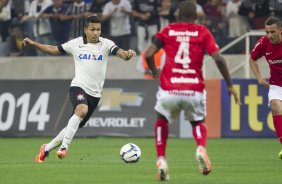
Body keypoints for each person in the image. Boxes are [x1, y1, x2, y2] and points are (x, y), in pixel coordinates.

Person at [144, 1, 241, 181]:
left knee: (162, 118)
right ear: (196, 16)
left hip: (169, 88)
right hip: (193, 88)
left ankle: (162, 159)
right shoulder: (202, 32)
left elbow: (149, 54)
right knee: (197, 122)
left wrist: (154, 71)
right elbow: (218, 57)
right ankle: (200, 148)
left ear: (178, 15)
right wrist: (229, 84)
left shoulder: (168, 31)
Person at [22, 15, 137, 163]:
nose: (96, 33)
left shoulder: (106, 44)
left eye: (98, 29)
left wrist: (128, 54)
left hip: (95, 94)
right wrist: (33, 43)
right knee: (81, 110)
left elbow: (122, 54)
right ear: (85, 30)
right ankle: (64, 148)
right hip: (78, 87)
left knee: (73, 125)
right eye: (92, 29)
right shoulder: (75, 44)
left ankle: (46, 148)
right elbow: (53, 50)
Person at [249, 16, 282, 159]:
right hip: (276, 85)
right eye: (267, 32)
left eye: (272, 32)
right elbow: (252, 59)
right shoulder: (263, 43)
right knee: (276, 106)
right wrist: (258, 76)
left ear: (280, 30)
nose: (269, 36)